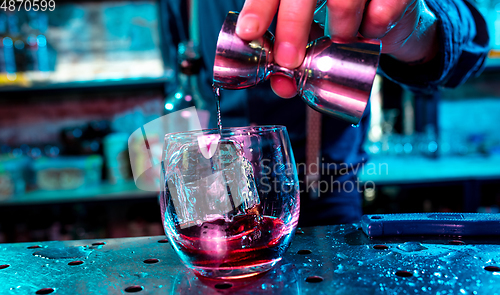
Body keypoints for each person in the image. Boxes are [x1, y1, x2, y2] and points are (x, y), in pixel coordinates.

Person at [160, 0, 489, 225]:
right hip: (209, 196)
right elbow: (181, 79)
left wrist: (414, 27)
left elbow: (472, 47)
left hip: (325, 199)